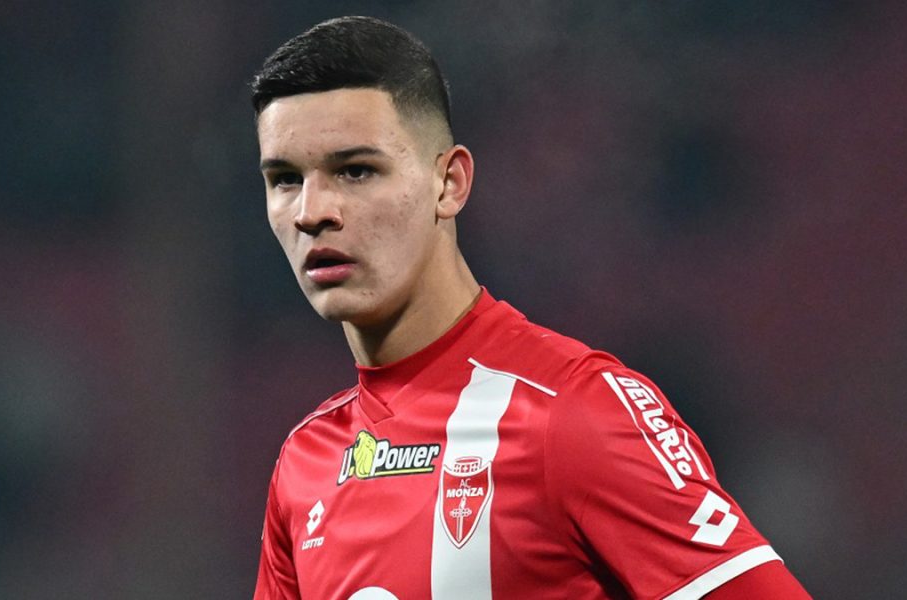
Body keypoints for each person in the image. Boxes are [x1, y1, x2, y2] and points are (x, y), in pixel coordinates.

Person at [250, 16, 810, 600]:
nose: (311, 212)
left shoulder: (570, 413)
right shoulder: (305, 464)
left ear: (449, 183)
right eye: (285, 179)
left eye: (356, 171)